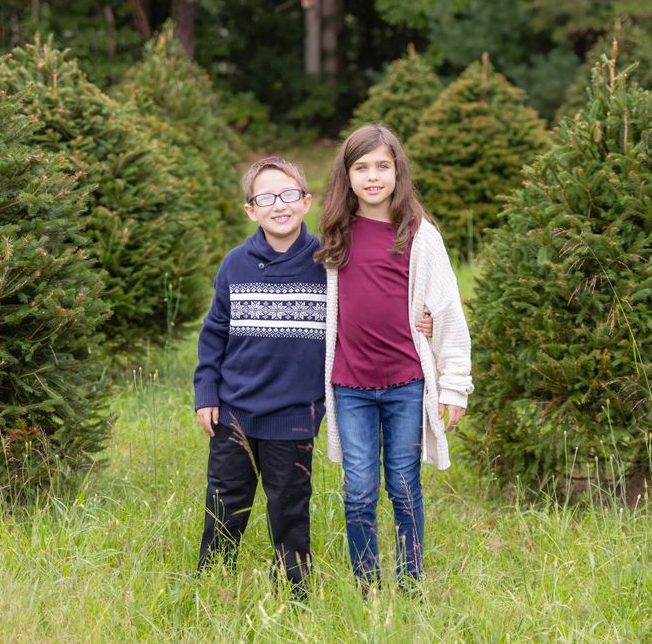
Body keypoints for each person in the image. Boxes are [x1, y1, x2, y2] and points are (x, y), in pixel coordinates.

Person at [193, 155, 432, 592]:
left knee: (289, 508)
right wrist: (206, 392)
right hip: (233, 412)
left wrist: (422, 320)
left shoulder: (329, 261)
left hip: (295, 414)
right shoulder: (234, 264)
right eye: (266, 198)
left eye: (289, 195)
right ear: (250, 210)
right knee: (226, 503)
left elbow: (368, 305)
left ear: (306, 201)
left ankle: (295, 590)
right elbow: (214, 333)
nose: (279, 205)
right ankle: (211, 583)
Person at [316, 124, 473, 587]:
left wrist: (454, 386)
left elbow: (446, 311)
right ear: (347, 176)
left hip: (406, 383)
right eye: (361, 167)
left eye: (382, 166)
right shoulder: (336, 234)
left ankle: (410, 583)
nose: (372, 177)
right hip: (350, 386)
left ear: (398, 172)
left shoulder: (420, 236)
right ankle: (366, 585)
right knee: (358, 491)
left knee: (404, 487)